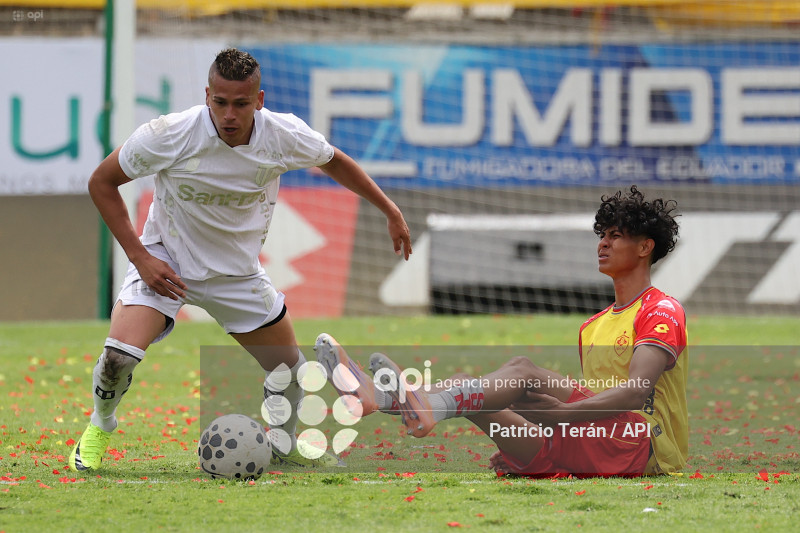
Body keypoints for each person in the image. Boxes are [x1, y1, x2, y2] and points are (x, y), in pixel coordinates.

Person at [69, 48, 412, 472]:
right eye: (220, 102)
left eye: (241, 104)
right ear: (207, 95)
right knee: (116, 359)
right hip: (166, 263)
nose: (229, 114)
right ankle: (101, 424)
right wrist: (140, 257)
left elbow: (335, 161)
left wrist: (389, 210)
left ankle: (283, 443)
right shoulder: (168, 133)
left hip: (236, 274)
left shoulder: (283, 135)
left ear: (260, 100)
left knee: (288, 371)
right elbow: (102, 182)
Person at [316, 185, 687, 476]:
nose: (603, 243)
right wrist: (531, 432)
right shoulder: (593, 325)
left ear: (645, 247)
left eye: (616, 235)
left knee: (523, 371)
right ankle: (378, 399)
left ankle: (414, 402)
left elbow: (634, 396)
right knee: (475, 395)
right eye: (602, 234)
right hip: (599, 444)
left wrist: (559, 420)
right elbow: (584, 407)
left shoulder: (661, 310)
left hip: (644, 445)